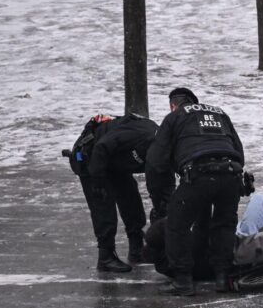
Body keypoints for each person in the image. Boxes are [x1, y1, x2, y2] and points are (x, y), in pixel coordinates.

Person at [146, 87, 245, 296]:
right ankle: (222, 277)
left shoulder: (174, 117)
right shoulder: (219, 113)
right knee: (224, 224)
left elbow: (156, 161)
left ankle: (183, 281)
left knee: (176, 224)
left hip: (199, 173)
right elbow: (238, 150)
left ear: (173, 105)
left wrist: (161, 197)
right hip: (231, 172)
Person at [73, 113, 158, 272]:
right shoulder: (140, 135)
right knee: (104, 207)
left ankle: (136, 250)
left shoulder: (163, 148)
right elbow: (102, 146)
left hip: (115, 161)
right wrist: (98, 181)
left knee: (131, 198)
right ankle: (106, 257)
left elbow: (161, 184)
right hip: (91, 157)